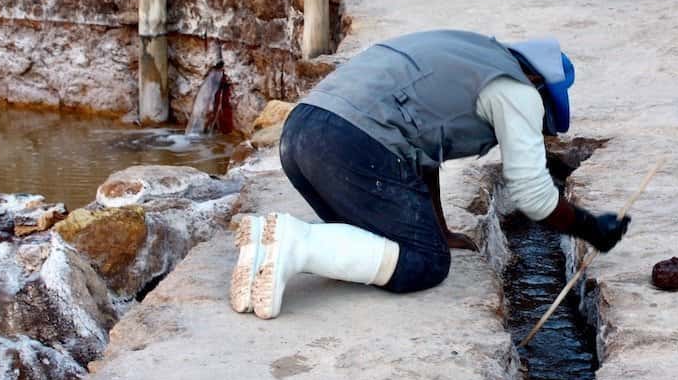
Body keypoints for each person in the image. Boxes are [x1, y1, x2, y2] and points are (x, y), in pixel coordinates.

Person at [230, 29, 632, 320]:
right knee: (425, 263)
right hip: (349, 143)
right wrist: (589, 227)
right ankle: (296, 242)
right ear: (539, 83)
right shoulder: (517, 90)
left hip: (302, 132)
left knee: (379, 244)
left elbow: (422, 153)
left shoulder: (469, 56)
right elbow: (532, 194)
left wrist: (438, 227)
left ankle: (265, 253)